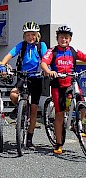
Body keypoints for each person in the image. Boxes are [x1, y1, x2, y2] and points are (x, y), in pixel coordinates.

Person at [0, 21, 47, 149]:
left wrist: (48, 70)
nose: (31, 37)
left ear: (37, 35)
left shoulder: (41, 46)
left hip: (36, 77)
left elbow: (47, 59)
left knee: (35, 109)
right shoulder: (22, 45)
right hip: (23, 76)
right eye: (28, 35)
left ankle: (29, 138)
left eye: (33, 35)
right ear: (24, 36)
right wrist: (2, 65)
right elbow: (10, 54)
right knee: (13, 94)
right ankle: (20, 108)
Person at [40, 25, 86, 155]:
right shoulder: (52, 51)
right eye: (61, 37)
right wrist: (49, 71)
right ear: (57, 39)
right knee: (59, 114)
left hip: (71, 83)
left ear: (70, 39)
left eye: (66, 38)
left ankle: (78, 125)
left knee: (83, 106)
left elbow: (84, 57)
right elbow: (44, 63)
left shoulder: (73, 51)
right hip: (57, 85)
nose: (64, 40)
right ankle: (59, 143)